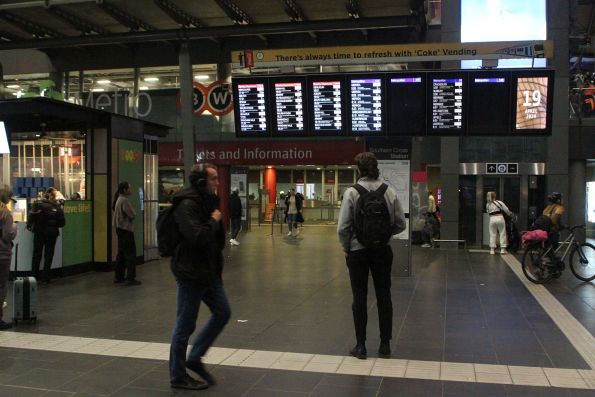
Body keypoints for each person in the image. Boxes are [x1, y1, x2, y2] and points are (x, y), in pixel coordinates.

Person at [337, 152, 406, 360]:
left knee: (359, 297)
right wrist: (384, 236)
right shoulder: (389, 191)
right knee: (384, 296)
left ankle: (361, 345)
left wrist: (347, 247)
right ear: (377, 168)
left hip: (358, 252)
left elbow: (343, 227)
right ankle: (385, 345)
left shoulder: (351, 192)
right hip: (382, 252)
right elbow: (400, 223)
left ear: (359, 170)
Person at [169, 163, 231, 391]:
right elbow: (196, 236)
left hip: (209, 272)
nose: (217, 182)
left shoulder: (209, 201)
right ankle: (177, 375)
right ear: (202, 182)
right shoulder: (187, 204)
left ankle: (194, 356)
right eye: (214, 179)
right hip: (191, 273)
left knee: (223, 313)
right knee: (184, 326)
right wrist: (214, 220)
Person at [29, 187, 65, 283]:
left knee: (37, 254)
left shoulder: (37, 204)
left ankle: (34, 276)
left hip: (39, 232)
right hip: (52, 233)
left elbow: (31, 218)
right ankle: (46, 277)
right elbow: (62, 223)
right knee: (48, 255)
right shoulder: (57, 206)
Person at [112, 181, 141, 286]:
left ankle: (118, 276)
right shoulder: (124, 200)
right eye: (129, 188)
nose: (130, 190)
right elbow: (132, 214)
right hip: (126, 230)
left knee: (121, 254)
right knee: (130, 254)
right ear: (124, 190)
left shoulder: (118, 199)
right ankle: (130, 278)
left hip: (119, 229)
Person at [0, 186, 17, 330]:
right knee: (1, 285)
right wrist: (14, 229)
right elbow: (7, 236)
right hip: (2, 254)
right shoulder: (5, 213)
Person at [543, 192, 565, 261]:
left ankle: (547, 265)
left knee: (548, 250)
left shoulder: (548, 207)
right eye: (562, 199)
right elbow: (554, 221)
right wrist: (561, 227)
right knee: (553, 250)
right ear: (558, 200)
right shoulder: (559, 208)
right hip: (553, 232)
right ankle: (548, 265)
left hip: (545, 230)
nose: (563, 200)